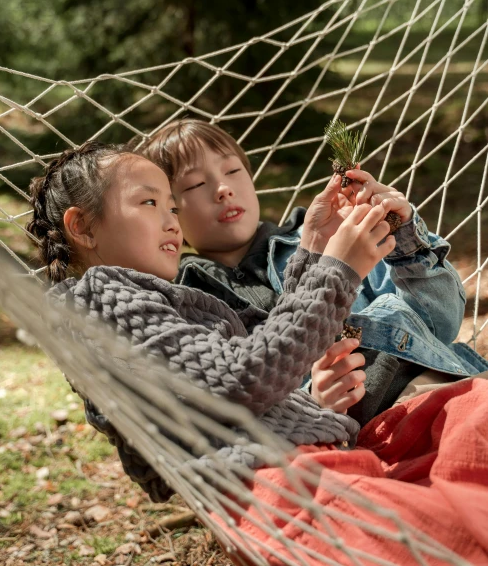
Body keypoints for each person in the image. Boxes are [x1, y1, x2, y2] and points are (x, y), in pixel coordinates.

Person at [26, 140, 395, 501]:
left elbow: (271, 347)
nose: (172, 223)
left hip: (302, 461)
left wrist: (314, 246)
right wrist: (338, 272)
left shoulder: (150, 301)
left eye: (172, 208)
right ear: (84, 227)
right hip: (276, 483)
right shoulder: (100, 300)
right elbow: (242, 377)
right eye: (150, 202)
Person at [136, 118, 488, 425]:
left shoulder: (336, 235)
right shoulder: (189, 301)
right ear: (170, 210)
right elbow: (234, 403)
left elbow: (441, 324)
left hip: (445, 389)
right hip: (356, 439)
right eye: (196, 184)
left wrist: (407, 239)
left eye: (232, 171)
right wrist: (311, 400)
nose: (223, 188)